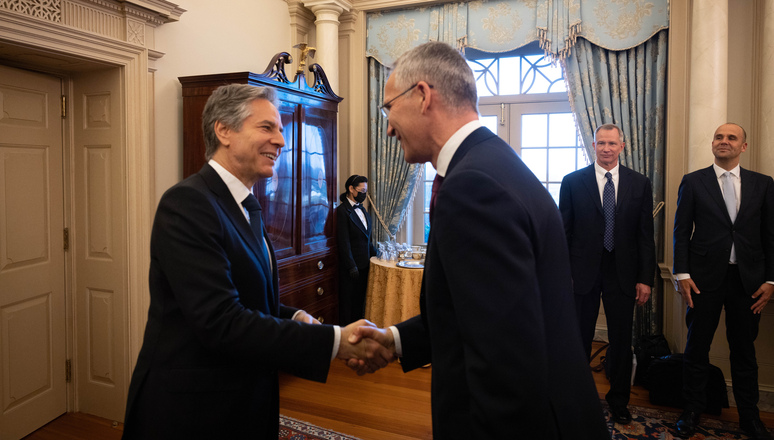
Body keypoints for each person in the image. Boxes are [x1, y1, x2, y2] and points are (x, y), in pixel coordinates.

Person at [349, 41, 610, 439]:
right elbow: (476, 314)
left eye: (388, 108)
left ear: (422, 96)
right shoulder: (494, 162)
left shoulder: (471, 186)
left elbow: (504, 362)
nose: (387, 126)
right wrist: (395, 340)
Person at [121, 84, 391, 439]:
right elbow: (221, 321)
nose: (281, 140)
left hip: (244, 397)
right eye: (267, 127)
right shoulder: (188, 204)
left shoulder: (248, 206)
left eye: (280, 129)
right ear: (224, 131)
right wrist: (336, 341)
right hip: (195, 409)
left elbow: (248, 298)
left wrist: (293, 315)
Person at [673, 123, 774, 439]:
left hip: (748, 282)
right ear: (713, 143)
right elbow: (680, 231)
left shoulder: (763, 184)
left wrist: (771, 280)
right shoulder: (693, 182)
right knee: (697, 347)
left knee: (744, 351)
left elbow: (770, 236)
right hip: (702, 280)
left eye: (732, 137)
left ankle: (749, 417)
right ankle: (691, 411)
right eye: (719, 136)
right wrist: (682, 274)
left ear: (744, 146)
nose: (724, 141)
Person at [558, 123, 656, 424]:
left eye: (612, 143)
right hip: (582, 272)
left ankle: (619, 401)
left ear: (622, 146)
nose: (606, 149)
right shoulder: (573, 181)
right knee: (579, 339)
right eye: (601, 143)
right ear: (593, 145)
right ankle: (576, 398)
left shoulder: (639, 183)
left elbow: (645, 235)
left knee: (621, 340)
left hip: (623, 273)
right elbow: (564, 231)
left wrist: (645, 278)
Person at [336, 174, 377, 324]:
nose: (364, 194)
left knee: (360, 304)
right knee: (349, 306)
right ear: (351, 189)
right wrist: (351, 265)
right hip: (351, 269)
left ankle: (360, 332)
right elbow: (343, 242)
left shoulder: (363, 211)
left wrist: (377, 255)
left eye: (365, 191)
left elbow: (367, 240)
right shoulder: (342, 211)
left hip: (365, 265)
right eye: (362, 190)